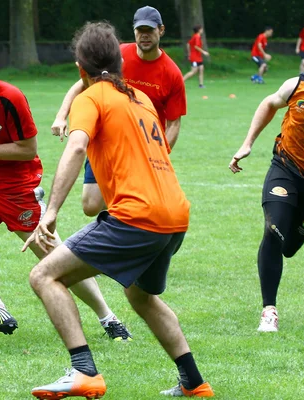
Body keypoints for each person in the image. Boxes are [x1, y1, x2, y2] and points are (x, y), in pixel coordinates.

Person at [25, 22, 214, 399]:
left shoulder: (90, 98)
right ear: (120, 63)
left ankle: (83, 372)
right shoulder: (141, 99)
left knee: (44, 275)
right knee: (140, 295)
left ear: (82, 71)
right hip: (175, 217)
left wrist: (50, 211)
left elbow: (76, 147)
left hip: (138, 217)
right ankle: (194, 383)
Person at [0, 38, 132, 341]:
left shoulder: (11, 99)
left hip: (18, 188)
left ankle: (108, 318)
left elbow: (28, 150)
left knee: (54, 257)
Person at [229, 34, 304, 332]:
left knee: (289, 246)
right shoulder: (296, 86)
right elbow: (269, 102)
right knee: (274, 231)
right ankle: (269, 311)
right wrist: (247, 144)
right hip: (285, 169)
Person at [51, 5, 186, 217]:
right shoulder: (119, 54)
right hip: (107, 138)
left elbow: (174, 123)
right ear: (134, 31)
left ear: (161, 30)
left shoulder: (172, 73)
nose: (144, 35)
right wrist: (61, 116)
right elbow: (82, 83)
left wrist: (158, 156)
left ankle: (120, 225)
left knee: (132, 201)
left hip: (142, 144)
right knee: (90, 205)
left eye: (149, 30)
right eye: (140, 30)